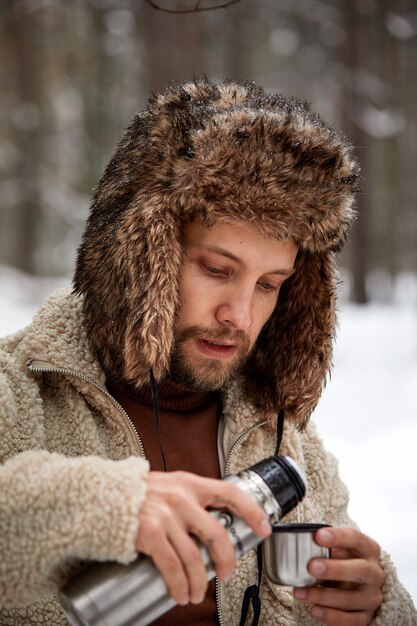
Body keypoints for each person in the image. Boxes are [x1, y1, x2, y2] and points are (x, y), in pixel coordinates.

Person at [0, 77, 415, 626]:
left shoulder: (281, 432)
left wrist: (377, 608)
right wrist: (100, 506)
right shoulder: (17, 394)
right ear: (137, 254)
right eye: (217, 270)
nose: (240, 317)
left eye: (270, 284)